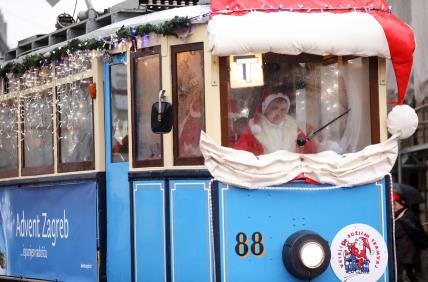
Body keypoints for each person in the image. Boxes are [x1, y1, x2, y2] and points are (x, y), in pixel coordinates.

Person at [233, 91, 316, 155]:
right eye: (274, 108)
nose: (278, 113)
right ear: (266, 109)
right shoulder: (254, 128)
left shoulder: (293, 128)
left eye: (283, 110)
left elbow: (309, 150)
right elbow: (240, 153)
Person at [394, 192, 428, 282]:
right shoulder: (400, 216)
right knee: (410, 277)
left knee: (408, 277)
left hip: (408, 257)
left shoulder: (407, 217)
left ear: (403, 204)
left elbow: (417, 234)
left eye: (395, 204)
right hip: (404, 255)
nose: (393, 206)